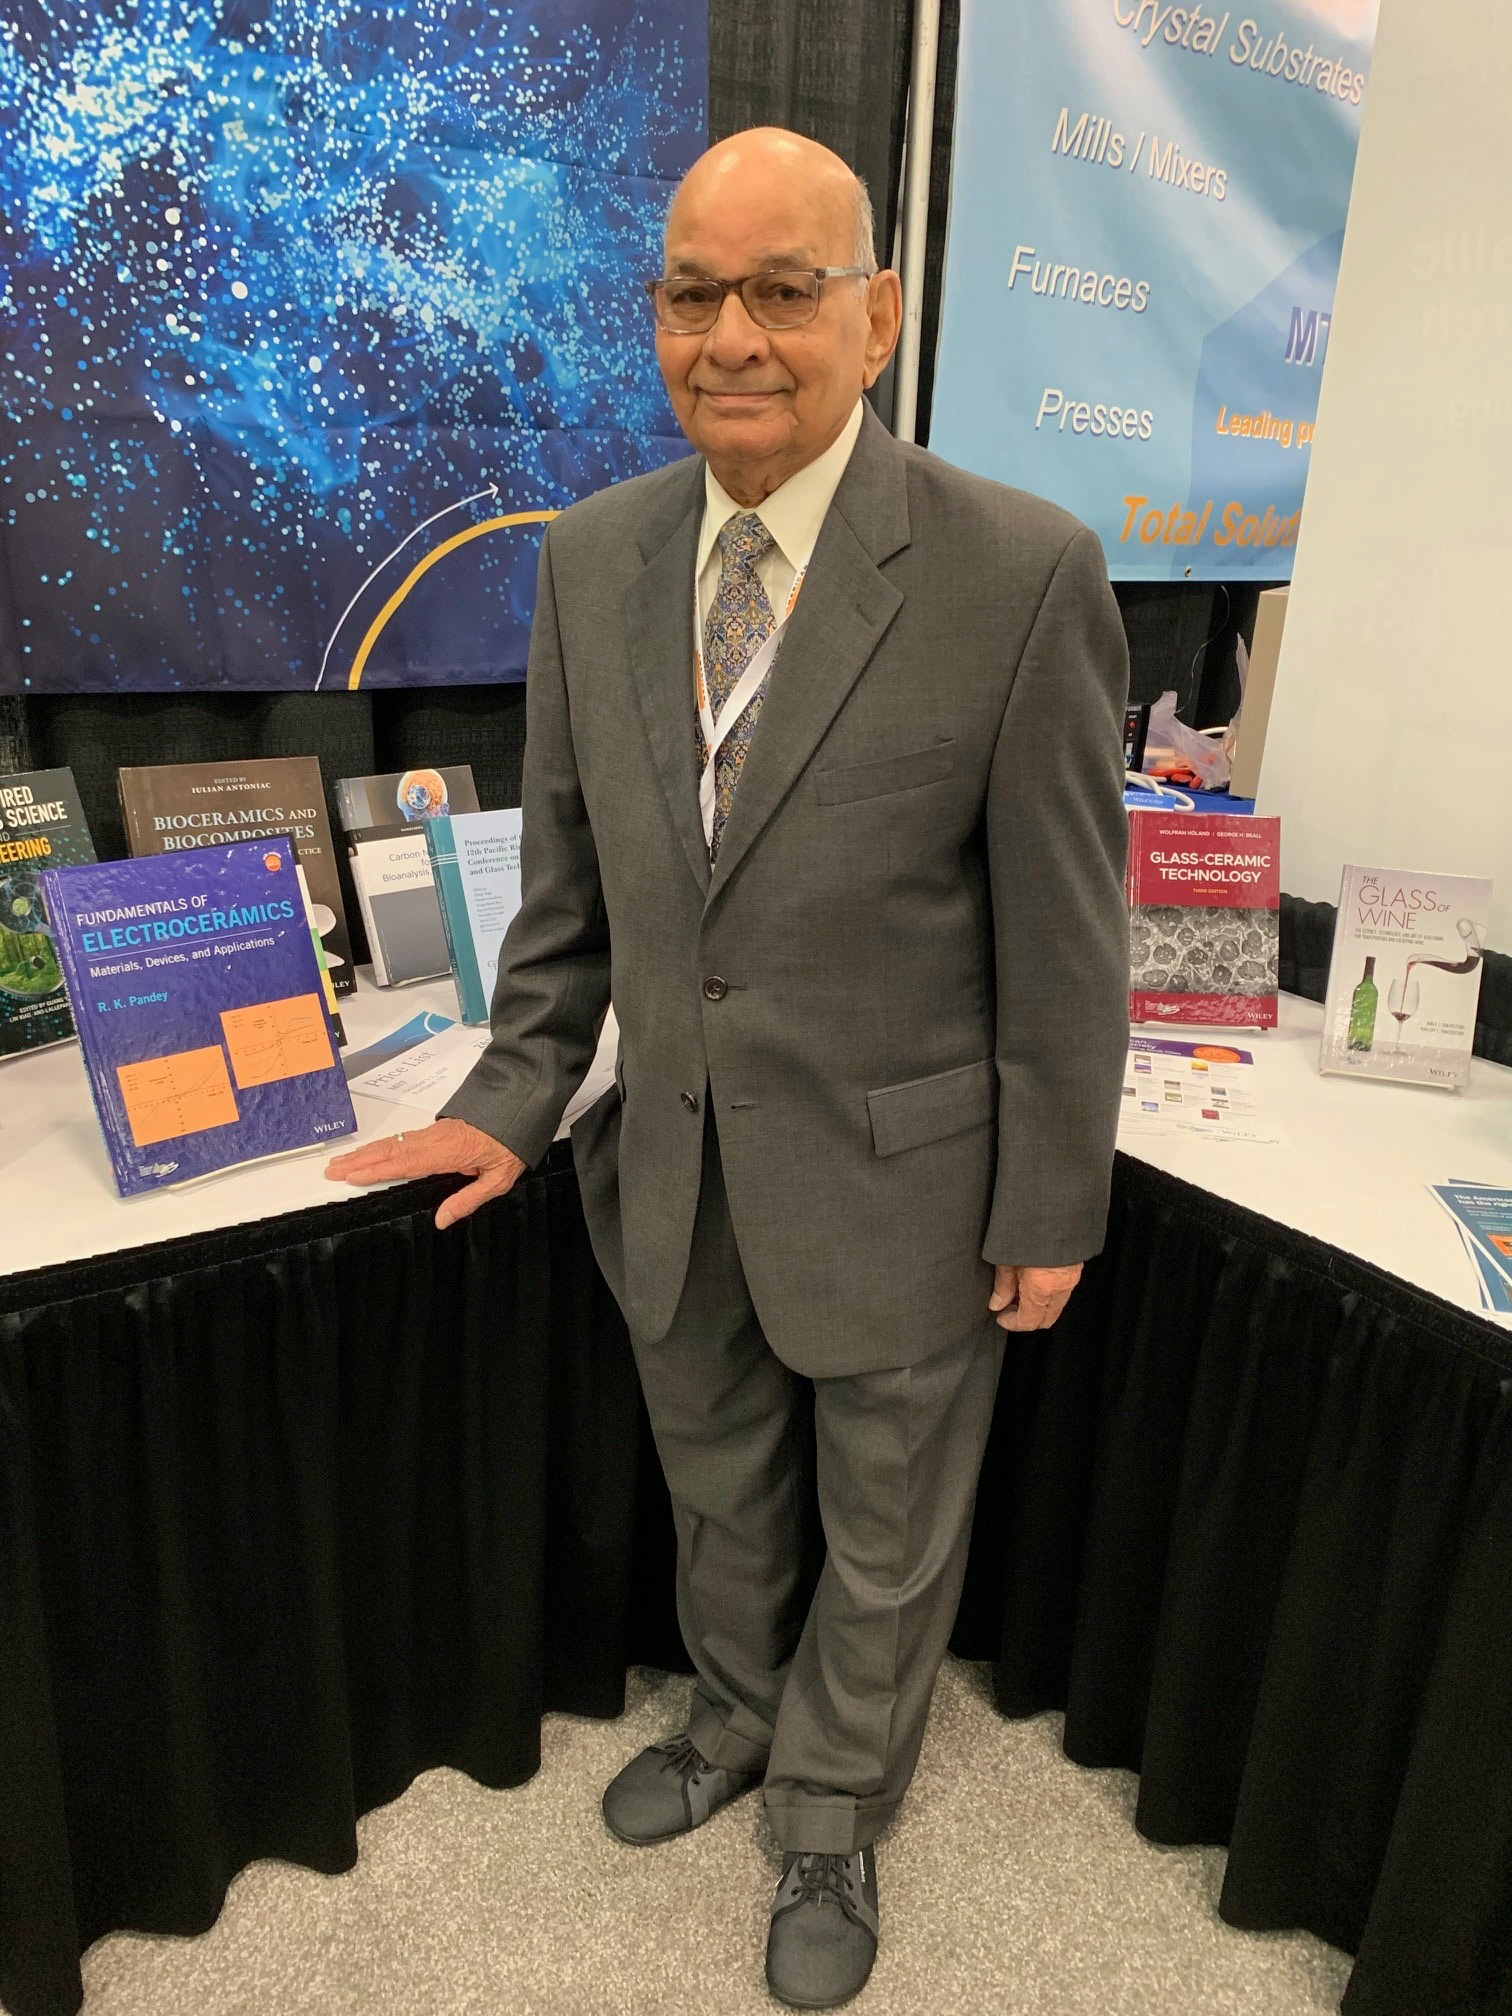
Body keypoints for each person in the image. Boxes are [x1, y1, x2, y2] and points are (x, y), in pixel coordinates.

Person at [327, 126, 1129, 2009]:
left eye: (784, 288)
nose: (734, 334)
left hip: (910, 1186)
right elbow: (573, 896)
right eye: (695, 291)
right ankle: (741, 1716)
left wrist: (1050, 1203)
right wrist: (509, 1098)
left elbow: (1067, 936)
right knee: (724, 1497)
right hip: (671, 1177)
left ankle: (836, 1809)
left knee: (885, 1521)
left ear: (876, 316)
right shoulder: (595, 556)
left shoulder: (1019, 570)